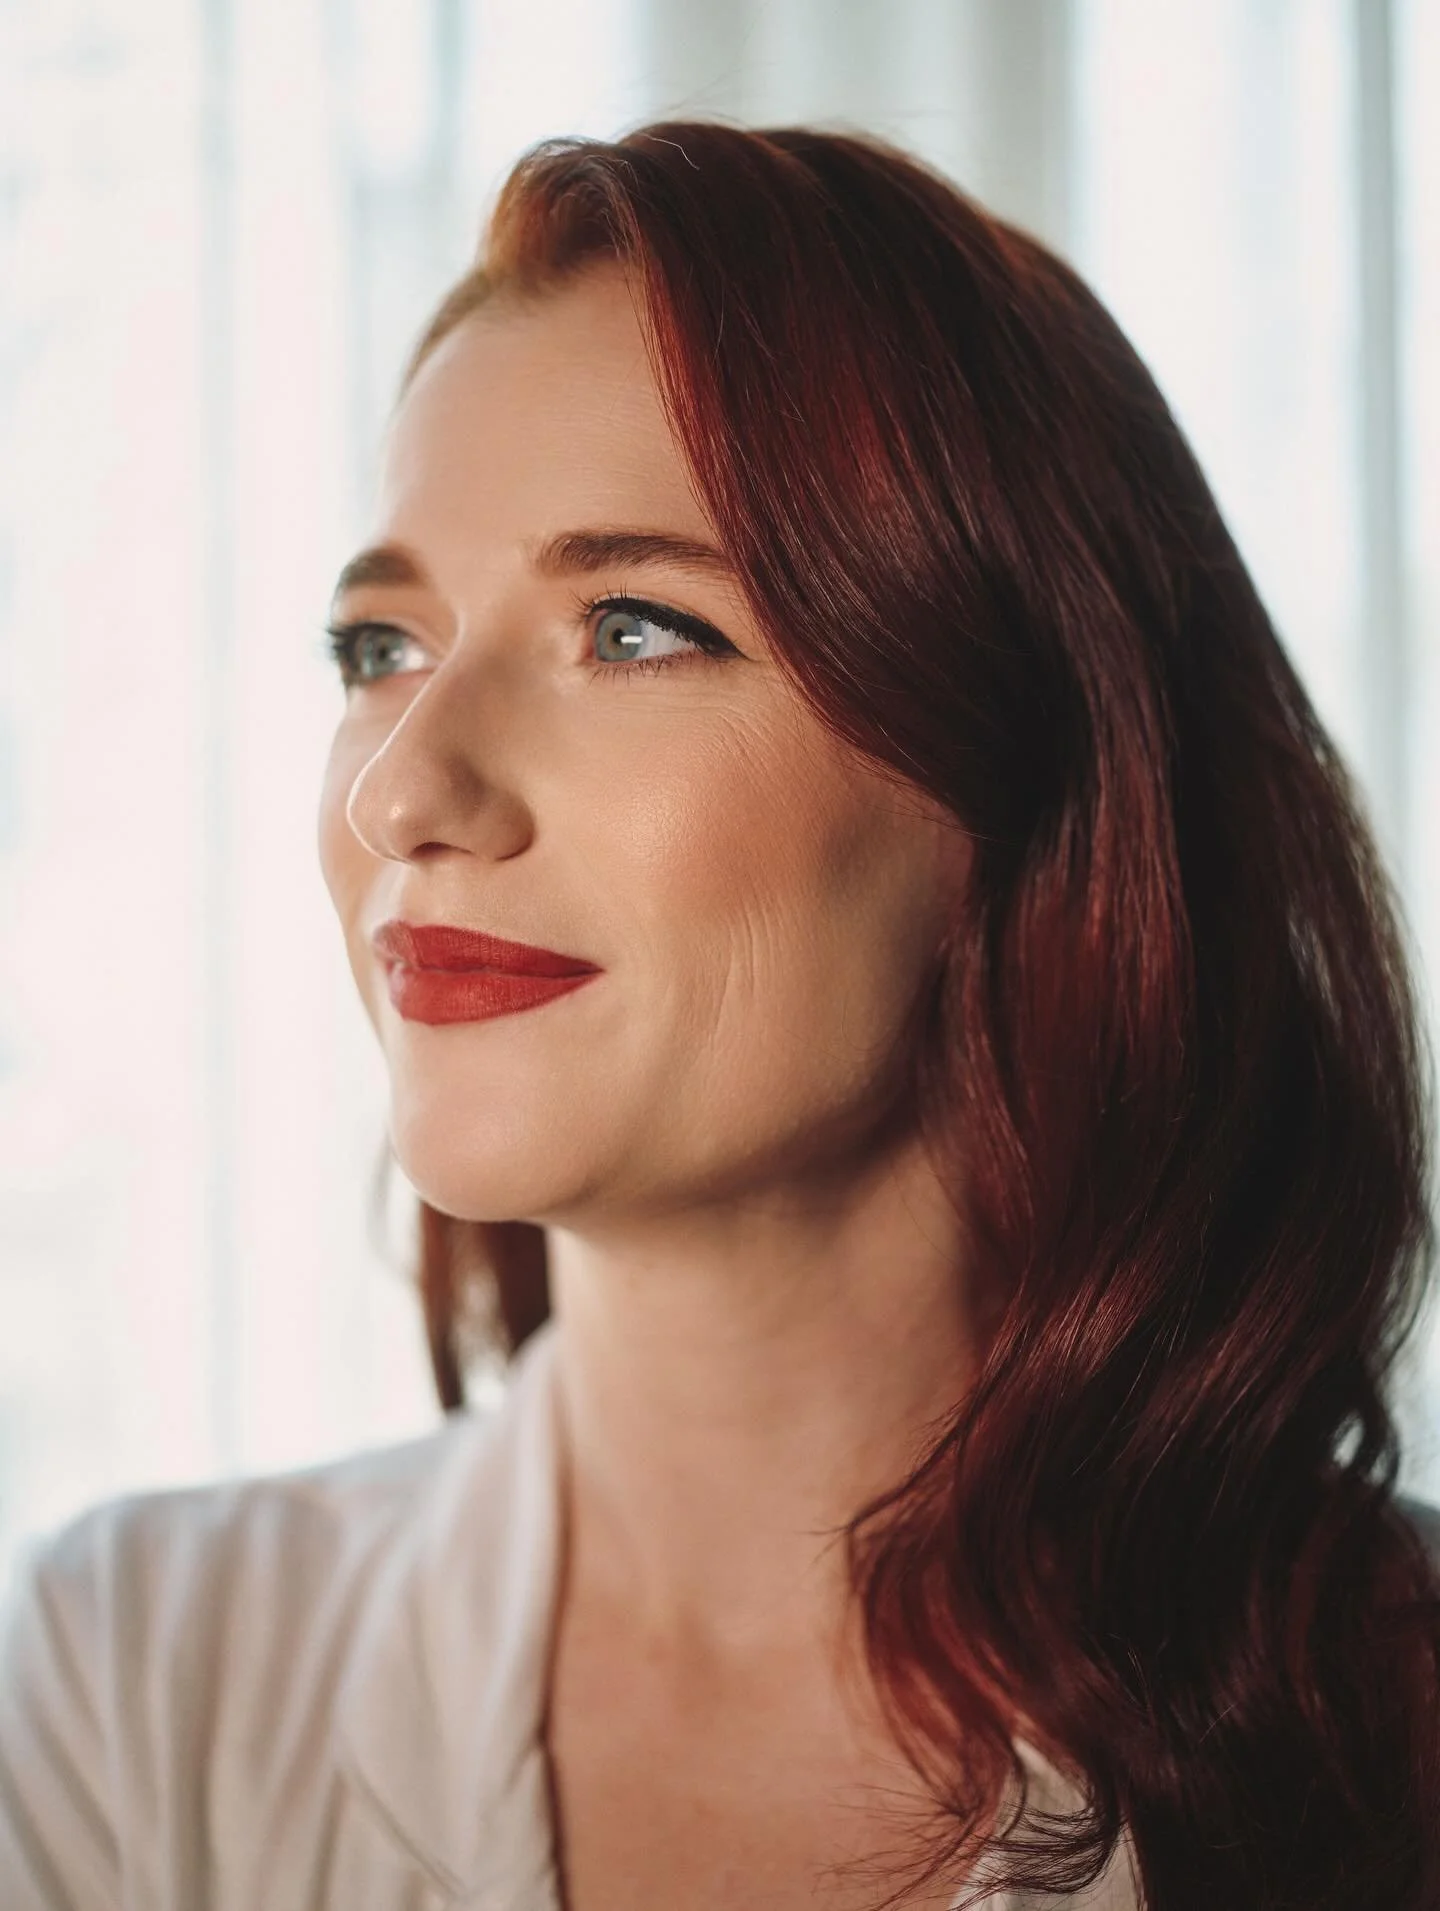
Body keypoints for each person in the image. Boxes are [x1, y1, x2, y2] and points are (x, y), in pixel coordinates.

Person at [1, 118, 1437, 1911]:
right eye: (381, 648)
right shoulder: (128, 1691)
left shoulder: (1402, 1739)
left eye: (632, 627)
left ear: (1034, 770)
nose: (404, 792)